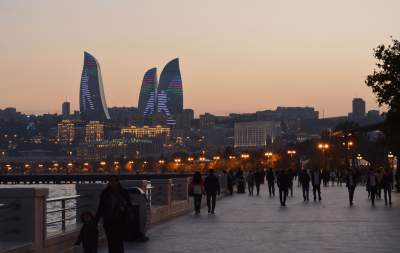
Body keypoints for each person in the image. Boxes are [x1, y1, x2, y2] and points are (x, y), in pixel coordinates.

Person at [96, 175, 131, 253]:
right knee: (110, 241)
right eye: (111, 181)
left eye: (114, 181)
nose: (113, 183)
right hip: (108, 221)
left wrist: (124, 208)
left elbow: (129, 205)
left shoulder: (124, 192)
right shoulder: (104, 193)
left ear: (118, 181)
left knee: (119, 241)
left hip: (121, 220)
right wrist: (96, 220)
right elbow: (101, 207)